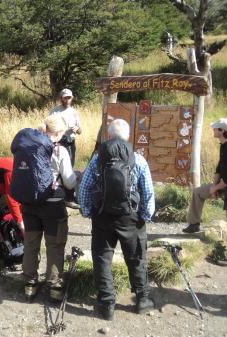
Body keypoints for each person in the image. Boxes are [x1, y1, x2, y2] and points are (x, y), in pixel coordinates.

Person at [78, 119, 155, 321]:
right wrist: (145, 217)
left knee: (102, 258)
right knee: (136, 257)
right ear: (128, 136)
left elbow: (84, 188)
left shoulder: (97, 159)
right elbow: (147, 192)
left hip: (103, 216)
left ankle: (107, 304)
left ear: (108, 136)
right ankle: (142, 300)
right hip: (131, 217)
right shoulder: (139, 160)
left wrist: (87, 211)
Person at [21, 115, 77, 302]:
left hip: (29, 203)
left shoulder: (26, 147)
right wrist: (77, 177)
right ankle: (54, 287)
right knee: (54, 245)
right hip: (53, 205)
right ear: (59, 133)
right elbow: (69, 183)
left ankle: (29, 284)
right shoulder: (59, 151)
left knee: (30, 243)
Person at [182, 118, 227, 267]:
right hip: (225, 186)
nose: (213, 130)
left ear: (222, 131)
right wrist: (214, 185)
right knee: (198, 192)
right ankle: (194, 224)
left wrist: (215, 188)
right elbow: (219, 168)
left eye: (215, 128)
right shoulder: (224, 146)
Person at [49, 88, 81, 208]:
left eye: (69, 97)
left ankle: (69, 197)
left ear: (72, 98)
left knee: (69, 169)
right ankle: (60, 195)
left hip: (71, 143)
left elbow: (80, 131)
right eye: (65, 97)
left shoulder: (74, 112)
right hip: (58, 142)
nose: (67, 100)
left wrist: (77, 129)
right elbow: (48, 127)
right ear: (61, 98)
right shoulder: (55, 112)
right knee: (57, 169)